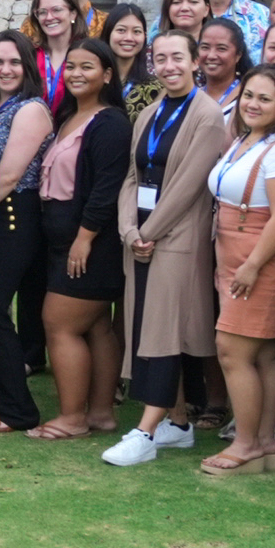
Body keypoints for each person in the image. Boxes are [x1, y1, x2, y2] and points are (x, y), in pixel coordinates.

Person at [107, 28, 233, 468]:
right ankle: (177, 423)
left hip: (176, 240)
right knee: (148, 329)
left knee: (163, 333)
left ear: (195, 61)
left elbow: (188, 185)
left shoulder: (208, 115)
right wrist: (129, 230)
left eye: (178, 57)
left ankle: (145, 430)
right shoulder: (150, 113)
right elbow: (131, 177)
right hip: (141, 240)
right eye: (160, 59)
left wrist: (150, 231)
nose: (169, 66)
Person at [190, 63, 275, 474]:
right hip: (233, 252)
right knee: (261, 354)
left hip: (260, 258)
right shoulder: (243, 139)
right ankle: (263, 444)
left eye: (265, 98)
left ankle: (244, 443)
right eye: (249, 95)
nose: (253, 104)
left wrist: (253, 265)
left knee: (232, 350)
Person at [20, 41, 131, 444]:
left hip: (89, 243)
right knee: (98, 326)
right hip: (63, 238)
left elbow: (106, 188)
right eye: (70, 67)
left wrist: (85, 238)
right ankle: (100, 414)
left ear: (107, 74)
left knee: (59, 323)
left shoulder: (111, 122)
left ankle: (72, 417)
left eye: (88, 66)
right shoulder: (67, 115)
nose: (76, 73)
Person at [0, 33, 55, 436]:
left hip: (12, 214)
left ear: (28, 67)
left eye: (14, 62)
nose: (5, 69)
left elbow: (9, 174)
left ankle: (18, 411)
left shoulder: (32, 109)